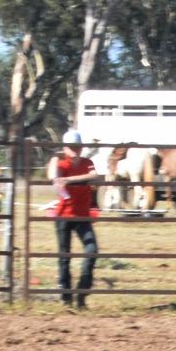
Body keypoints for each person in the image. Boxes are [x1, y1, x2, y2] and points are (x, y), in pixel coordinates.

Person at [47, 129, 100, 307]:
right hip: (64, 214)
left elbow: (94, 176)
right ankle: (66, 295)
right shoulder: (61, 163)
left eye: (77, 147)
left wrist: (69, 180)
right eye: (70, 147)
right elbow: (52, 176)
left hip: (82, 215)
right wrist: (55, 158)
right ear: (65, 148)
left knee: (92, 250)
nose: (74, 150)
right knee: (64, 256)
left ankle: (83, 290)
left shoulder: (87, 162)